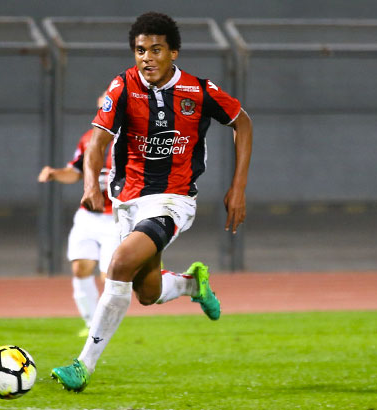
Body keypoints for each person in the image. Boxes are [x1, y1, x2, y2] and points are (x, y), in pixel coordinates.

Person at [51, 12, 253, 392]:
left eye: (156, 49)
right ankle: (192, 285)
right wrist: (90, 183)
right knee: (146, 293)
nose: (147, 57)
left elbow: (242, 122)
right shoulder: (123, 86)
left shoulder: (199, 90)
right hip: (128, 200)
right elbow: (97, 140)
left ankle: (82, 366)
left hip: (173, 200)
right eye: (140, 50)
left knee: (119, 263)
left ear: (173, 52)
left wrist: (238, 186)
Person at [38, 94, 120, 337]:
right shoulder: (89, 138)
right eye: (102, 108)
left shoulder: (133, 139)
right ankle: (92, 324)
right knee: (80, 268)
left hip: (117, 217)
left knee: (109, 277)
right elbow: (74, 172)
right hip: (89, 214)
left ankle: (107, 323)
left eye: (109, 108)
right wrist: (55, 173)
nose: (105, 113)